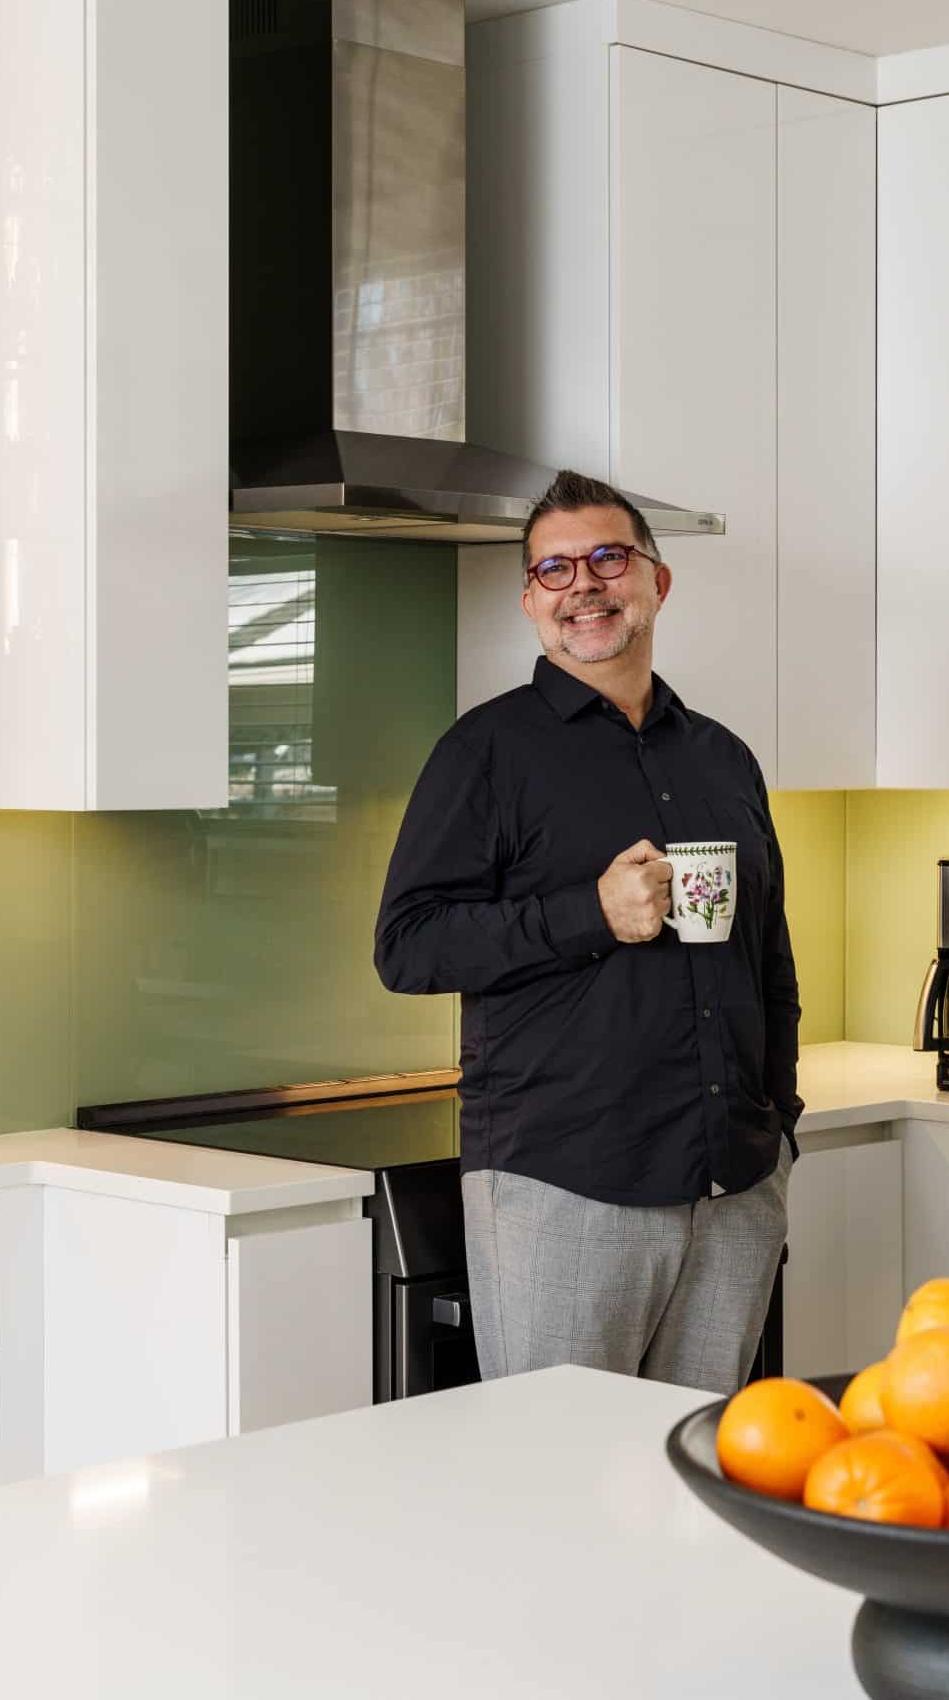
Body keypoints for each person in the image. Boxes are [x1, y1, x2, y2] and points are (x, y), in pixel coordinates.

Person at [374, 469, 801, 1394]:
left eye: (609, 558)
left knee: (694, 1467)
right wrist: (591, 914)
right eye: (555, 569)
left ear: (657, 581)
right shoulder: (483, 753)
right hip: (564, 1187)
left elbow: (769, 957)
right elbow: (407, 945)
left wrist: (781, 1126)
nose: (584, 586)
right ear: (530, 599)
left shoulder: (724, 757)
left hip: (732, 1185)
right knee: (555, 1469)